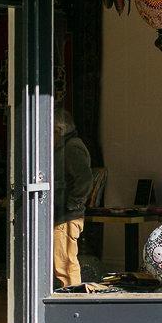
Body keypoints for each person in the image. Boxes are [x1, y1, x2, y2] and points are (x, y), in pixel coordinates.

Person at [53, 109, 92, 289]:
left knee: (65, 263)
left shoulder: (72, 147)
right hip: (62, 213)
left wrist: (72, 204)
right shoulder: (64, 147)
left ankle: (72, 298)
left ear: (59, 130)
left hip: (67, 216)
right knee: (61, 261)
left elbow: (85, 179)